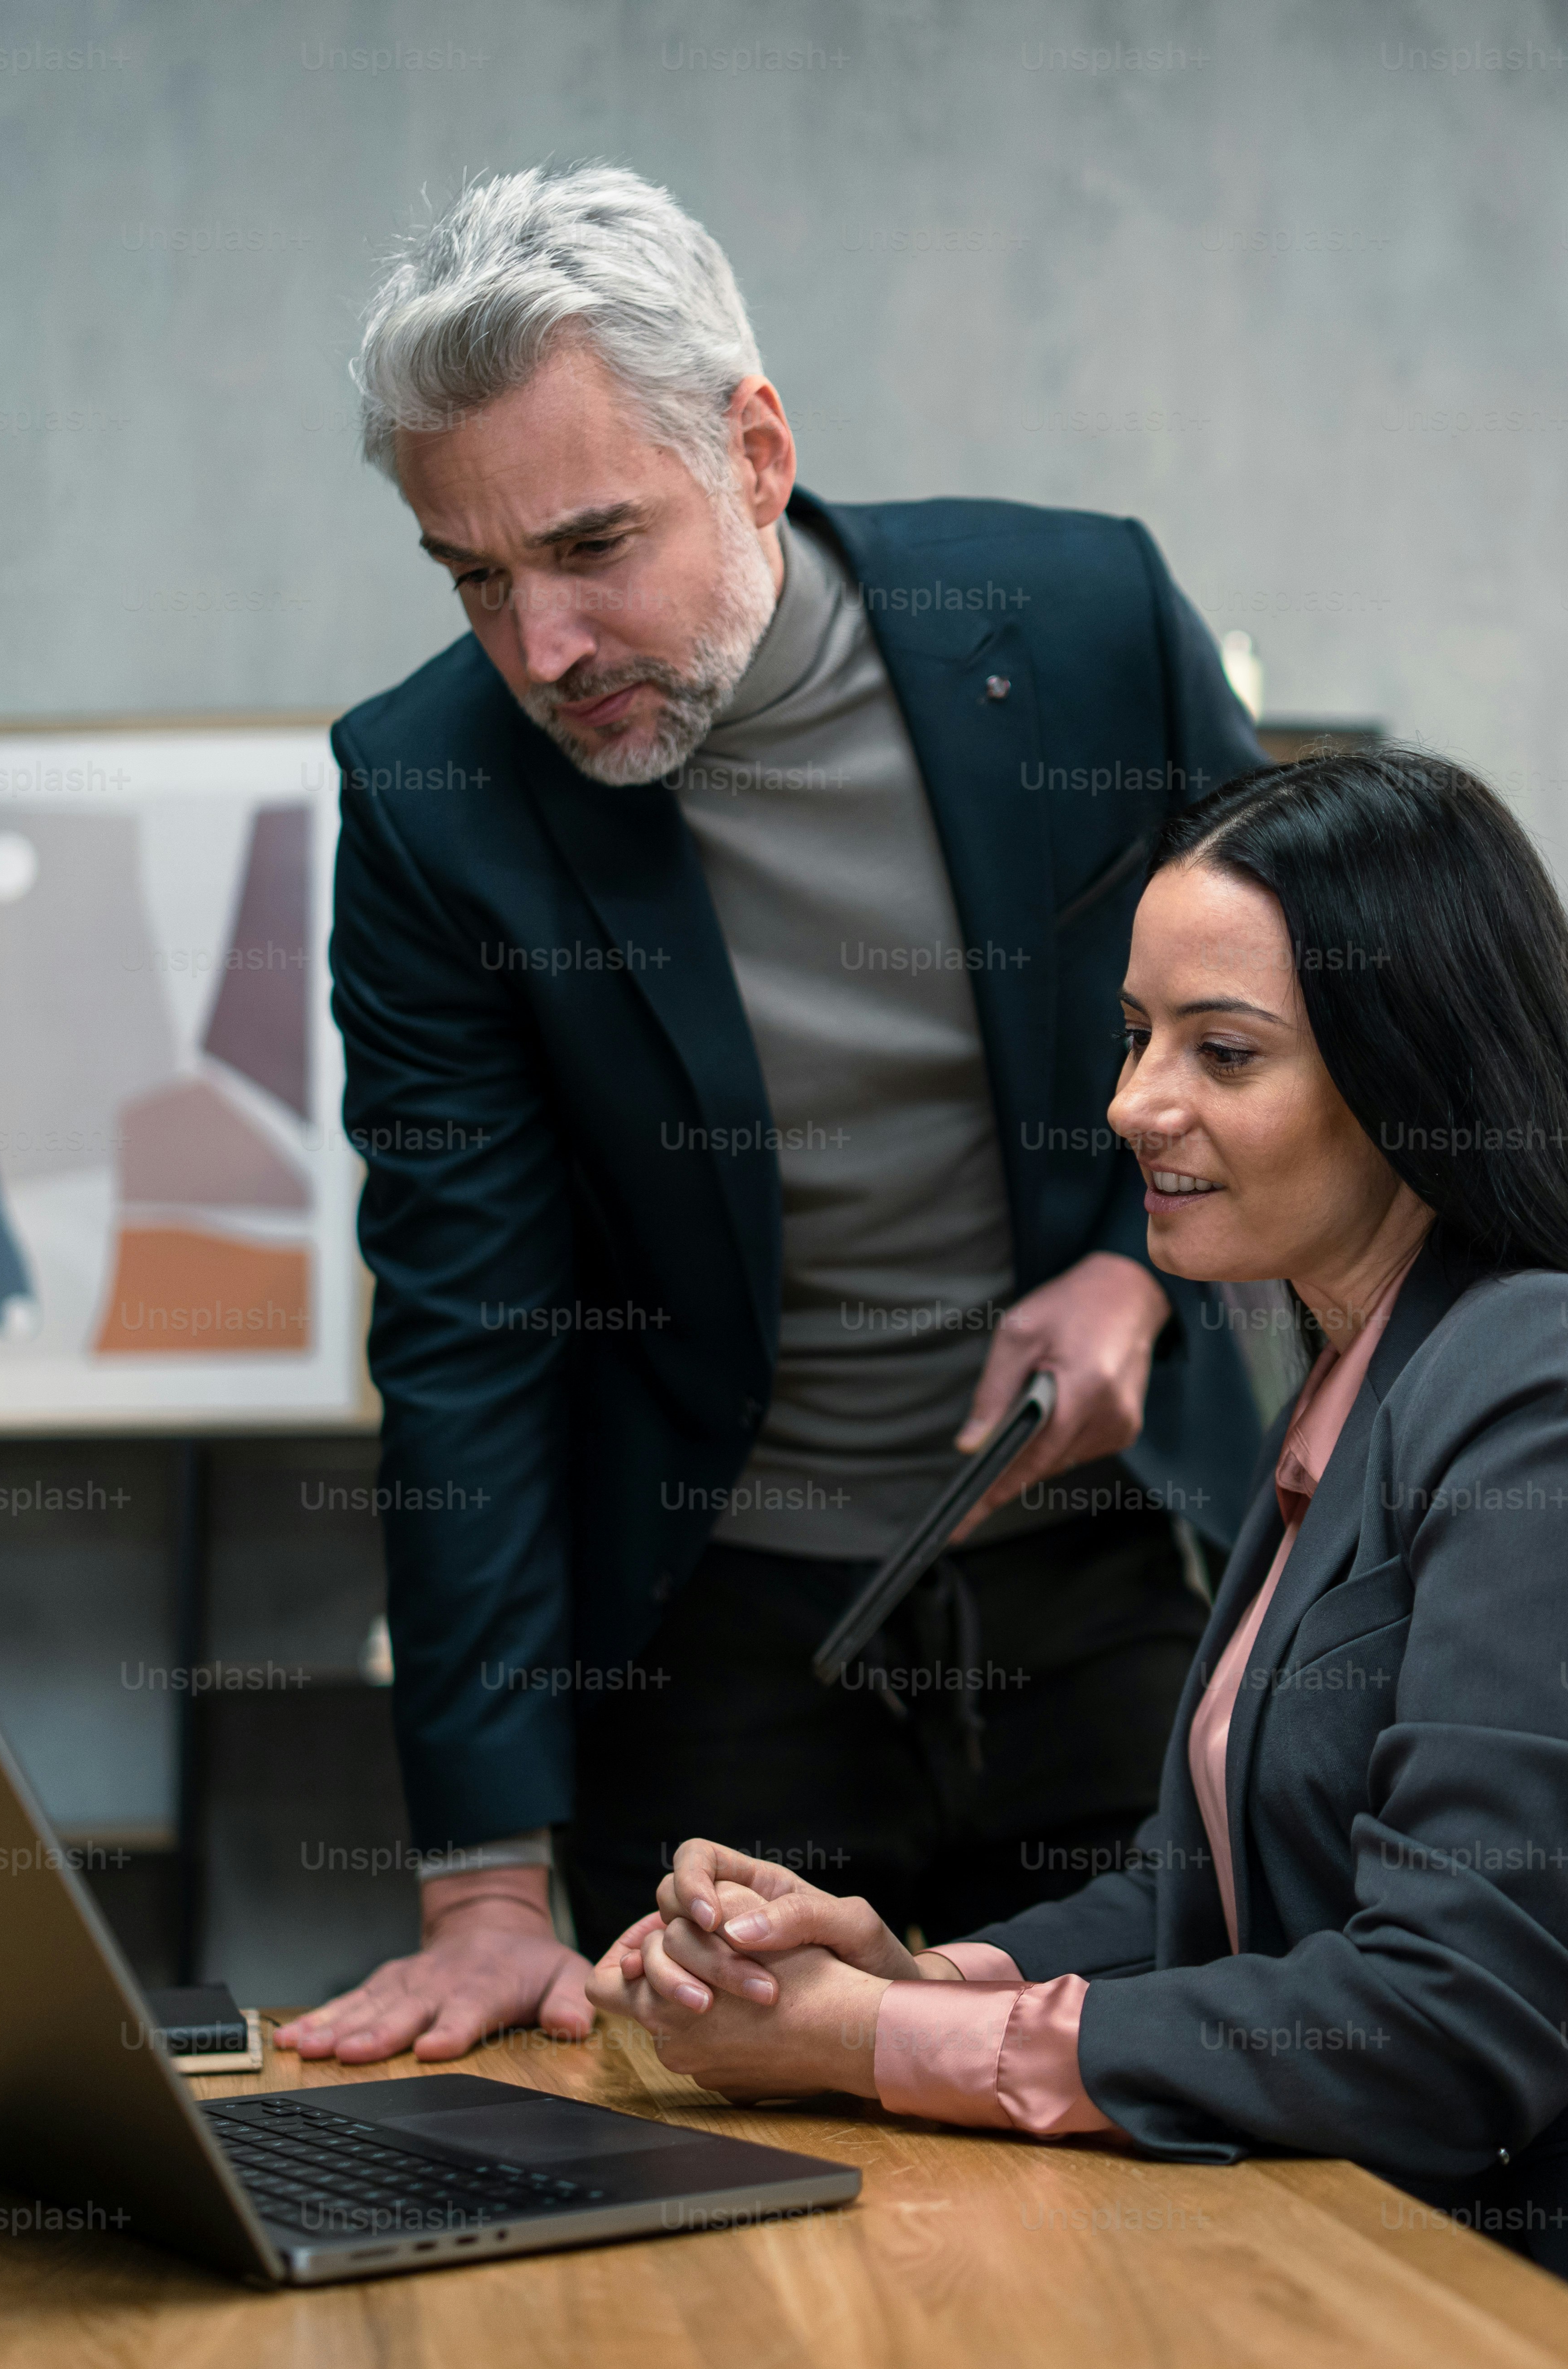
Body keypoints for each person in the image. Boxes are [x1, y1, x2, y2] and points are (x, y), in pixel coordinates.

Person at [588, 749, 1568, 2369]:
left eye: (1224, 1051)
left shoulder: (1565, 1387)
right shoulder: (1363, 1388)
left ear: (1414, 1074)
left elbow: (1446, 2027)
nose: (1137, 1103)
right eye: (1137, 1038)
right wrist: (914, 1970)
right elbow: (1207, 1905)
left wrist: (877, 2047)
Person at [279, 165, 1273, 2065]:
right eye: (474, 577)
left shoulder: (1081, 623)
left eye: (589, 546)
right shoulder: (428, 798)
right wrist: (483, 1884)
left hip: (1108, 1574)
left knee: (1169, 2165)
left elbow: (1306, 1027)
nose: (541, 647)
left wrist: (1137, 1264)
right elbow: (468, 1330)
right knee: (758, 2235)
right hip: (713, 1640)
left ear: (751, 447)